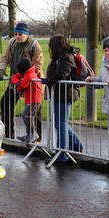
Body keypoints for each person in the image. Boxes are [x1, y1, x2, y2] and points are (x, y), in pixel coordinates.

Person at [0, 22, 44, 140]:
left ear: (26, 34)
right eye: (16, 34)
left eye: (20, 34)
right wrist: (1, 69)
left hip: (31, 83)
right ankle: (8, 135)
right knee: (5, 103)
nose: (17, 36)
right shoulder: (12, 42)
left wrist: (25, 76)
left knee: (35, 111)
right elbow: (5, 57)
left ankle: (37, 138)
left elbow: (38, 65)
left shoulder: (34, 45)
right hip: (16, 82)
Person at [41, 34, 83, 163]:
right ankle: (76, 146)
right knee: (60, 124)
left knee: (61, 124)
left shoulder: (66, 58)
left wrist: (47, 81)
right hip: (60, 94)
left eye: (51, 45)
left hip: (65, 95)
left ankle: (61, 156)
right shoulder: (61, 57)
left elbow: (61, 74)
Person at [85, 36, 109, 159]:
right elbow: (103, 81)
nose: (107, 53)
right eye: (105, 50)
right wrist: (93, 80)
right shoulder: (104, 63)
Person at [11, 58, 42, 143]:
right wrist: (17, 81)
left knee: (27, 116)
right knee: (26, 116)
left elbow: (22, 86)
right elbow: (14, 77)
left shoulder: (29, 75)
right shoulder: (27, 73)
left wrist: (18, 83)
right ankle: (29, 135)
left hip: (34, 100)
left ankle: (33, 134)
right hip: (30, 100)